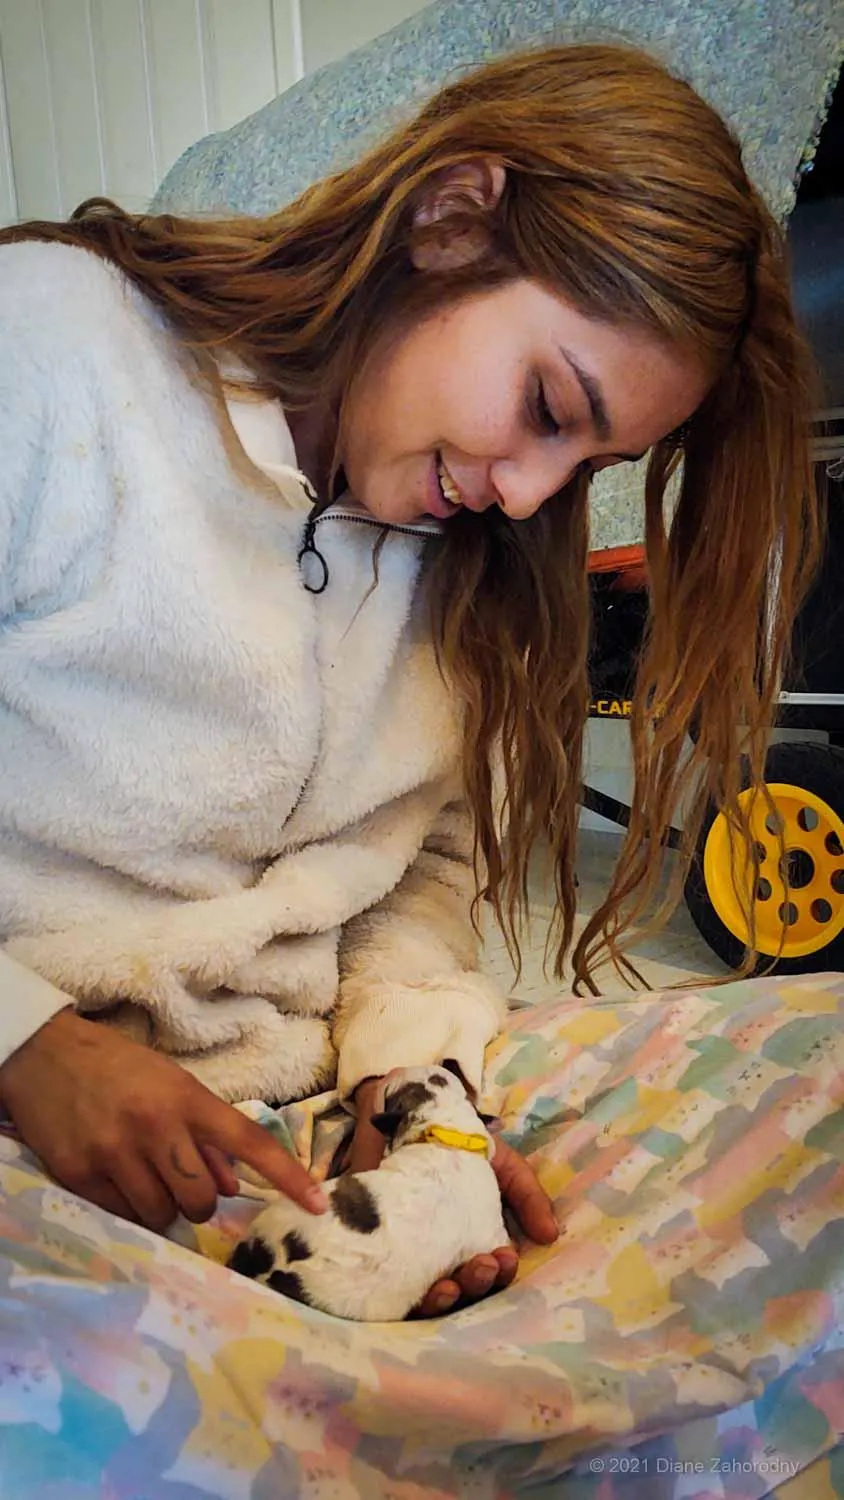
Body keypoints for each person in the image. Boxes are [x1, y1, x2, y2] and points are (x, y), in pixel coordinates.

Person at [0, 43, 819, 1317]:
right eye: (548, 405)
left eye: (592, 461)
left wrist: (418, 1103)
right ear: (447, 222)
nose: (532, 493)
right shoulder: (50, 346)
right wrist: (29, 1051)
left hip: (286, 1115)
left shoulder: (461, 566)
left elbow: (415, 874)